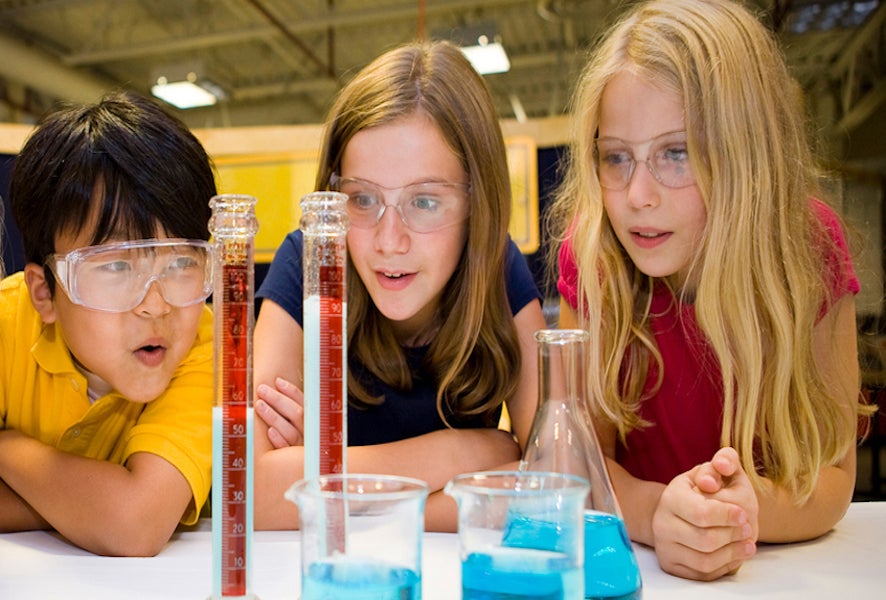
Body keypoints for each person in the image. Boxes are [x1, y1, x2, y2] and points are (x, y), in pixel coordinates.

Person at [548, 0, 871, 582]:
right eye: (616, 158)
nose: (637, 194)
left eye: (675, 154)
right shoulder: (592, 256)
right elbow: (582, 465)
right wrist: (654, 514)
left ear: (746, 156)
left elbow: (833, 477)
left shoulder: (809, 250)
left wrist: (742, 510)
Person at [253, 41, 547, 531]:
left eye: (425, 202)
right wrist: (469, 449)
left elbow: (550, 479)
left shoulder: (496, 267)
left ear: (479, 204)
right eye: (363, 199)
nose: (390, 242)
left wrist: (330, 479)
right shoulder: (310, 262)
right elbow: (256, 492)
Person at [0, 91, 217, 556]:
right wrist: (84, 503)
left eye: (182, 262)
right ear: (45, 293)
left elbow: (135, 523)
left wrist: (7, 447)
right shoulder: (3, 326)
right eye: (117, 267)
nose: (155, 304)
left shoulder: (205, 344)